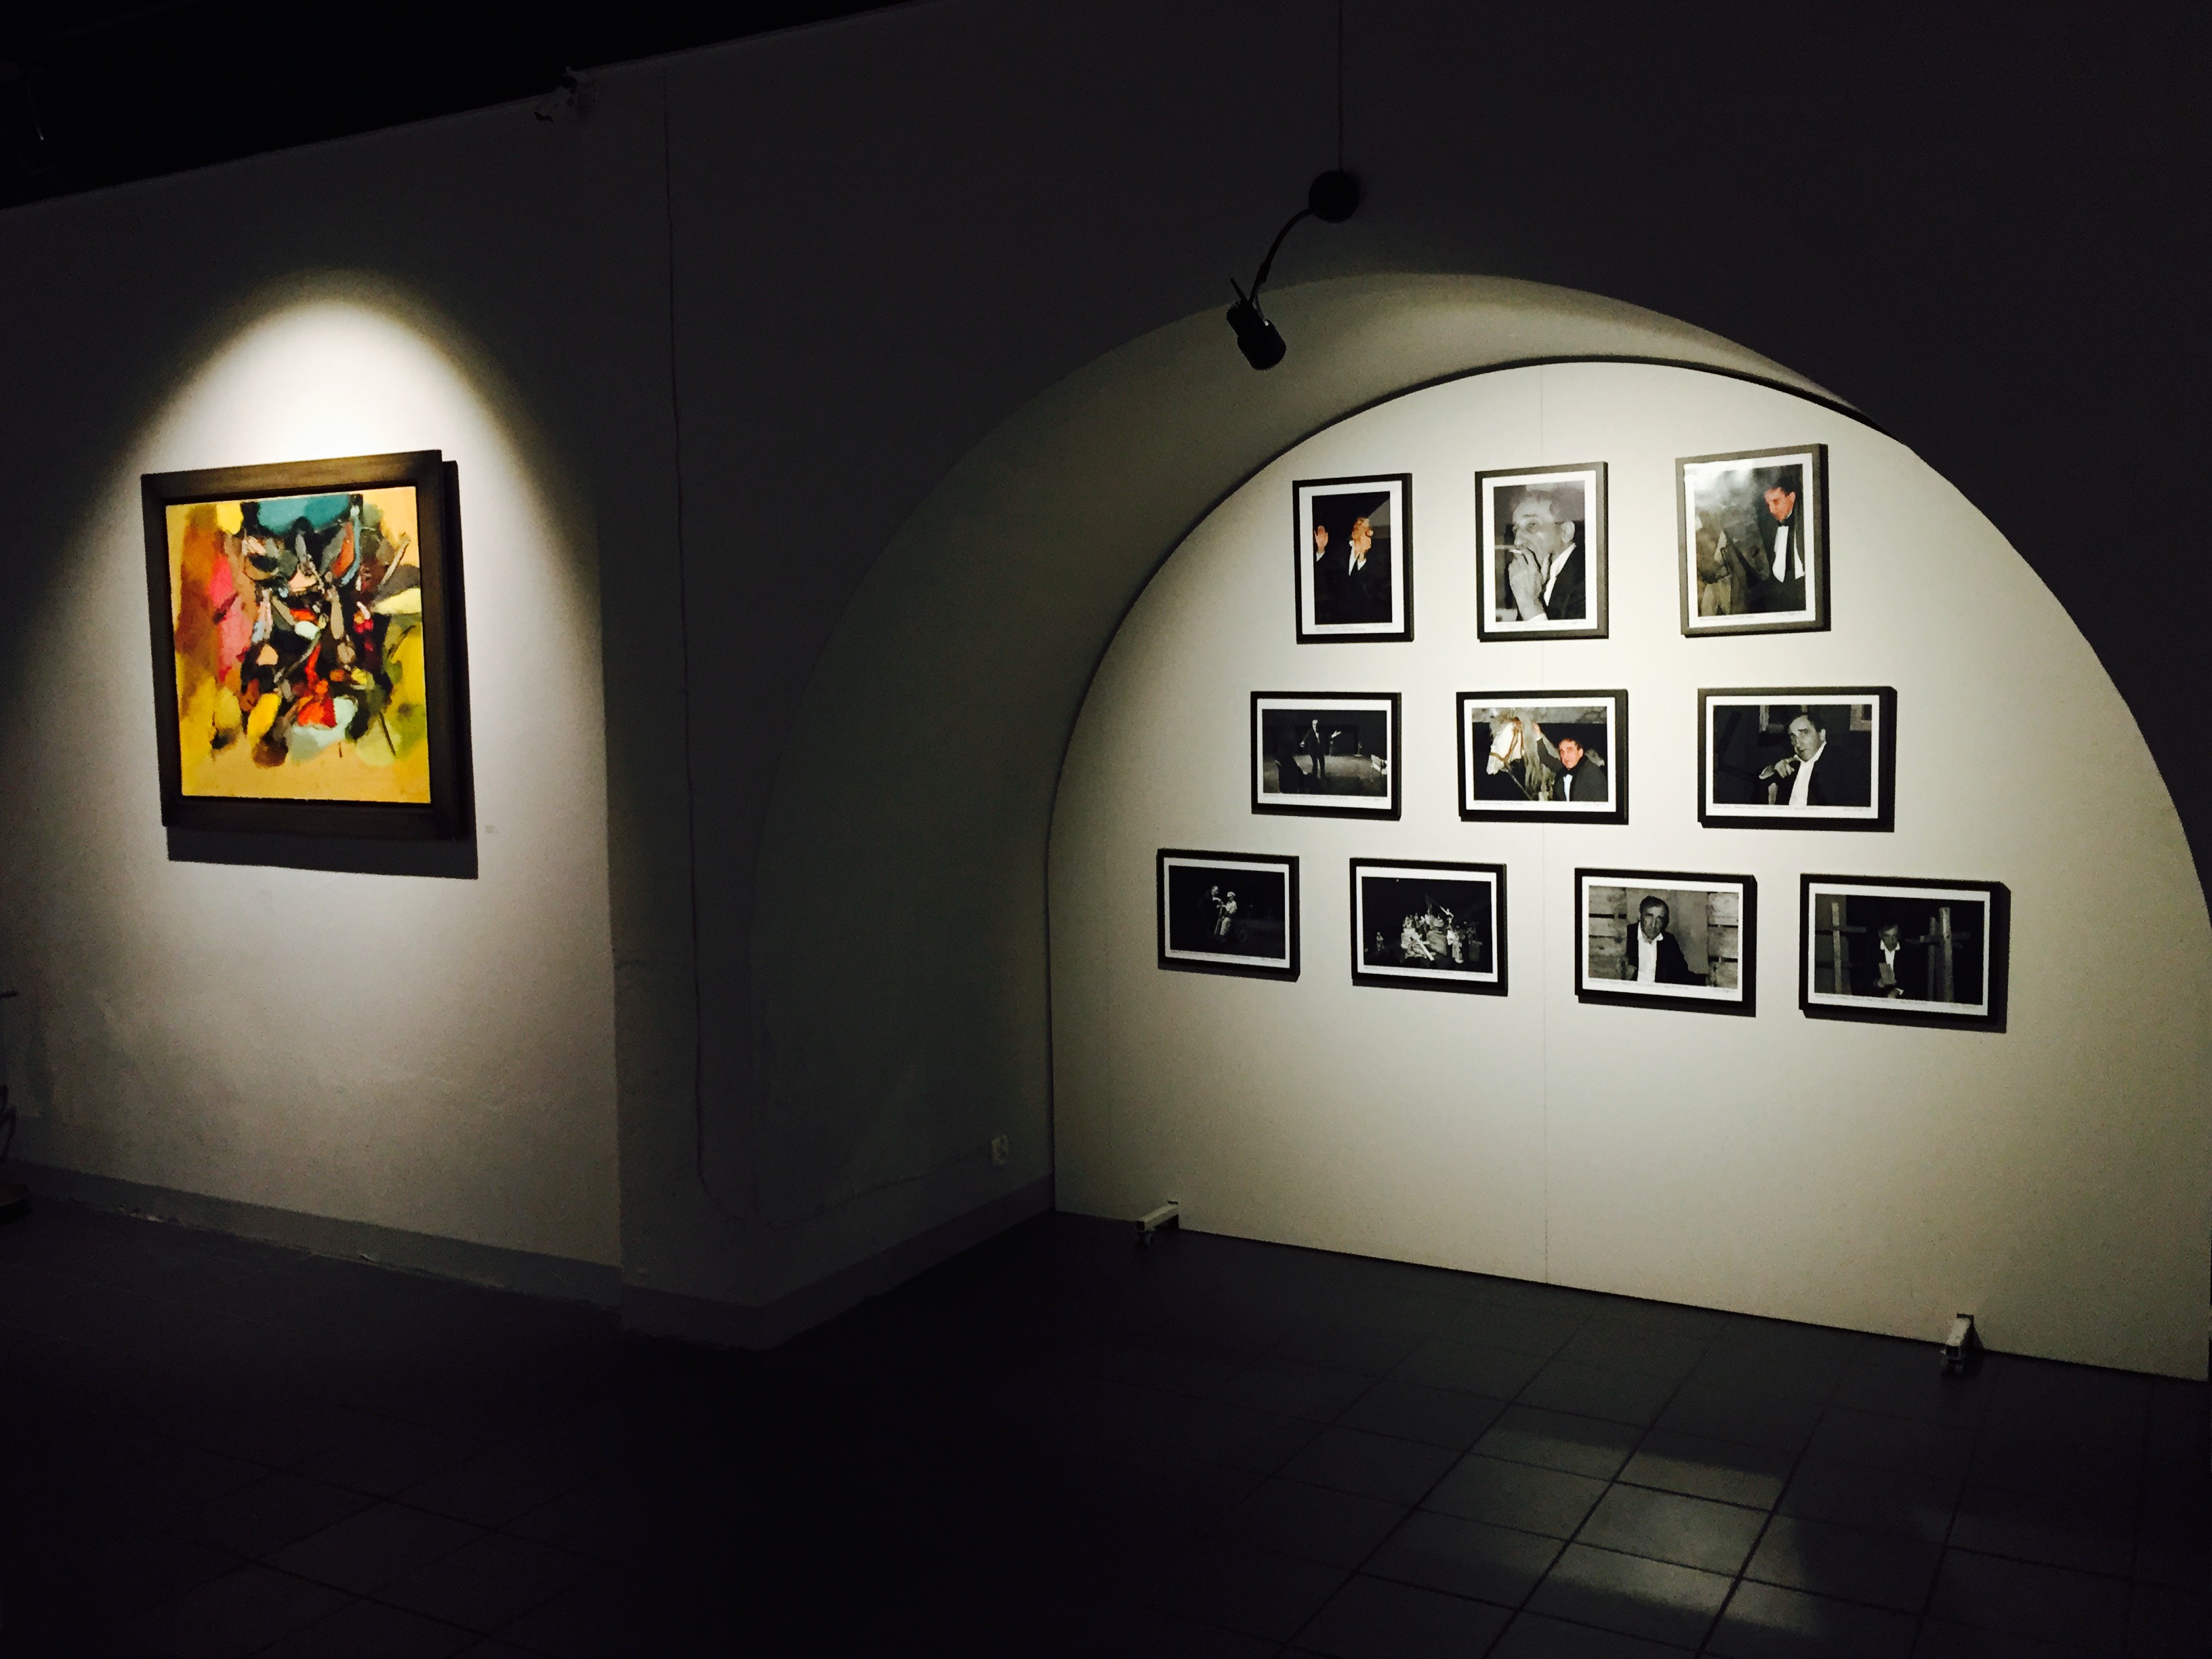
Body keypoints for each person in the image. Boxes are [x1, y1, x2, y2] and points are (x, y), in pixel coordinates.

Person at [1502, 489, 1584, 623]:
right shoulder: (1535, 578)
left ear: (1566, 531)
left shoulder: (1587, 580)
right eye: (1516, 531)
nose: (1518, 541)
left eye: (1532, 525)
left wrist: (1529, 604)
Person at [1747, 470, 1808, 613]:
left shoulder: (1807, 519)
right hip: (1777, 594)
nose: (1772, 510)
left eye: (1776, 502)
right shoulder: (1767, 522)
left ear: (1792, 497)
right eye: (1768, 504)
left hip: (1804, 590)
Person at [1315, 513, 1389, 625]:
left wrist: (1362, 556)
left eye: (1369, 530)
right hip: (1338, 616)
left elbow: (1373, 588)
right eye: (1364, 528)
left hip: (1364, 616)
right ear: (1354, 532)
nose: (1369, 532)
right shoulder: (1341, 550)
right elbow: (1324, 571)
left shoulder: (1376, 555)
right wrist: (1321, 549)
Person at [1623, 896, 1698, 985]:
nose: (1654, 924)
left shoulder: (1669, 941)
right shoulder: (1626, 935)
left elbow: (1682, 975)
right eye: (1649, 916)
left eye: (1660, 919)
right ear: (1640, 915)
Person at [1761, 714, 1834, 806]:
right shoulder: (1789, 761)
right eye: (1793, 736)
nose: (1798, 743)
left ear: (1822, 734)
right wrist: (1774, 769)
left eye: (1804, 733)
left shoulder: (1840, 762)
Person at [1554, 737, 1608, 804]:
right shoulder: (1560, 775)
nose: (1565, 756)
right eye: (1562, 752)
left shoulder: (1593, 774)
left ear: (1580, 752)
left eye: (1570, 750)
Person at [1298, 716, 1331, 792]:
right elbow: (1306, 738)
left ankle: (1322, 774)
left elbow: (1326, 739)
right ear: (1312, 725)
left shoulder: (1321, 731)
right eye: (1314, 725)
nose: (1315, 726)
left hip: (1320, 750)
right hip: (1313, 751)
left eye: (1316, 725)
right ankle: (1314, 777)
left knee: (1322, 761)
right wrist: (1303, 742)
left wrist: (1331, 738)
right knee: (1315, 764)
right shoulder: (1310, 732)